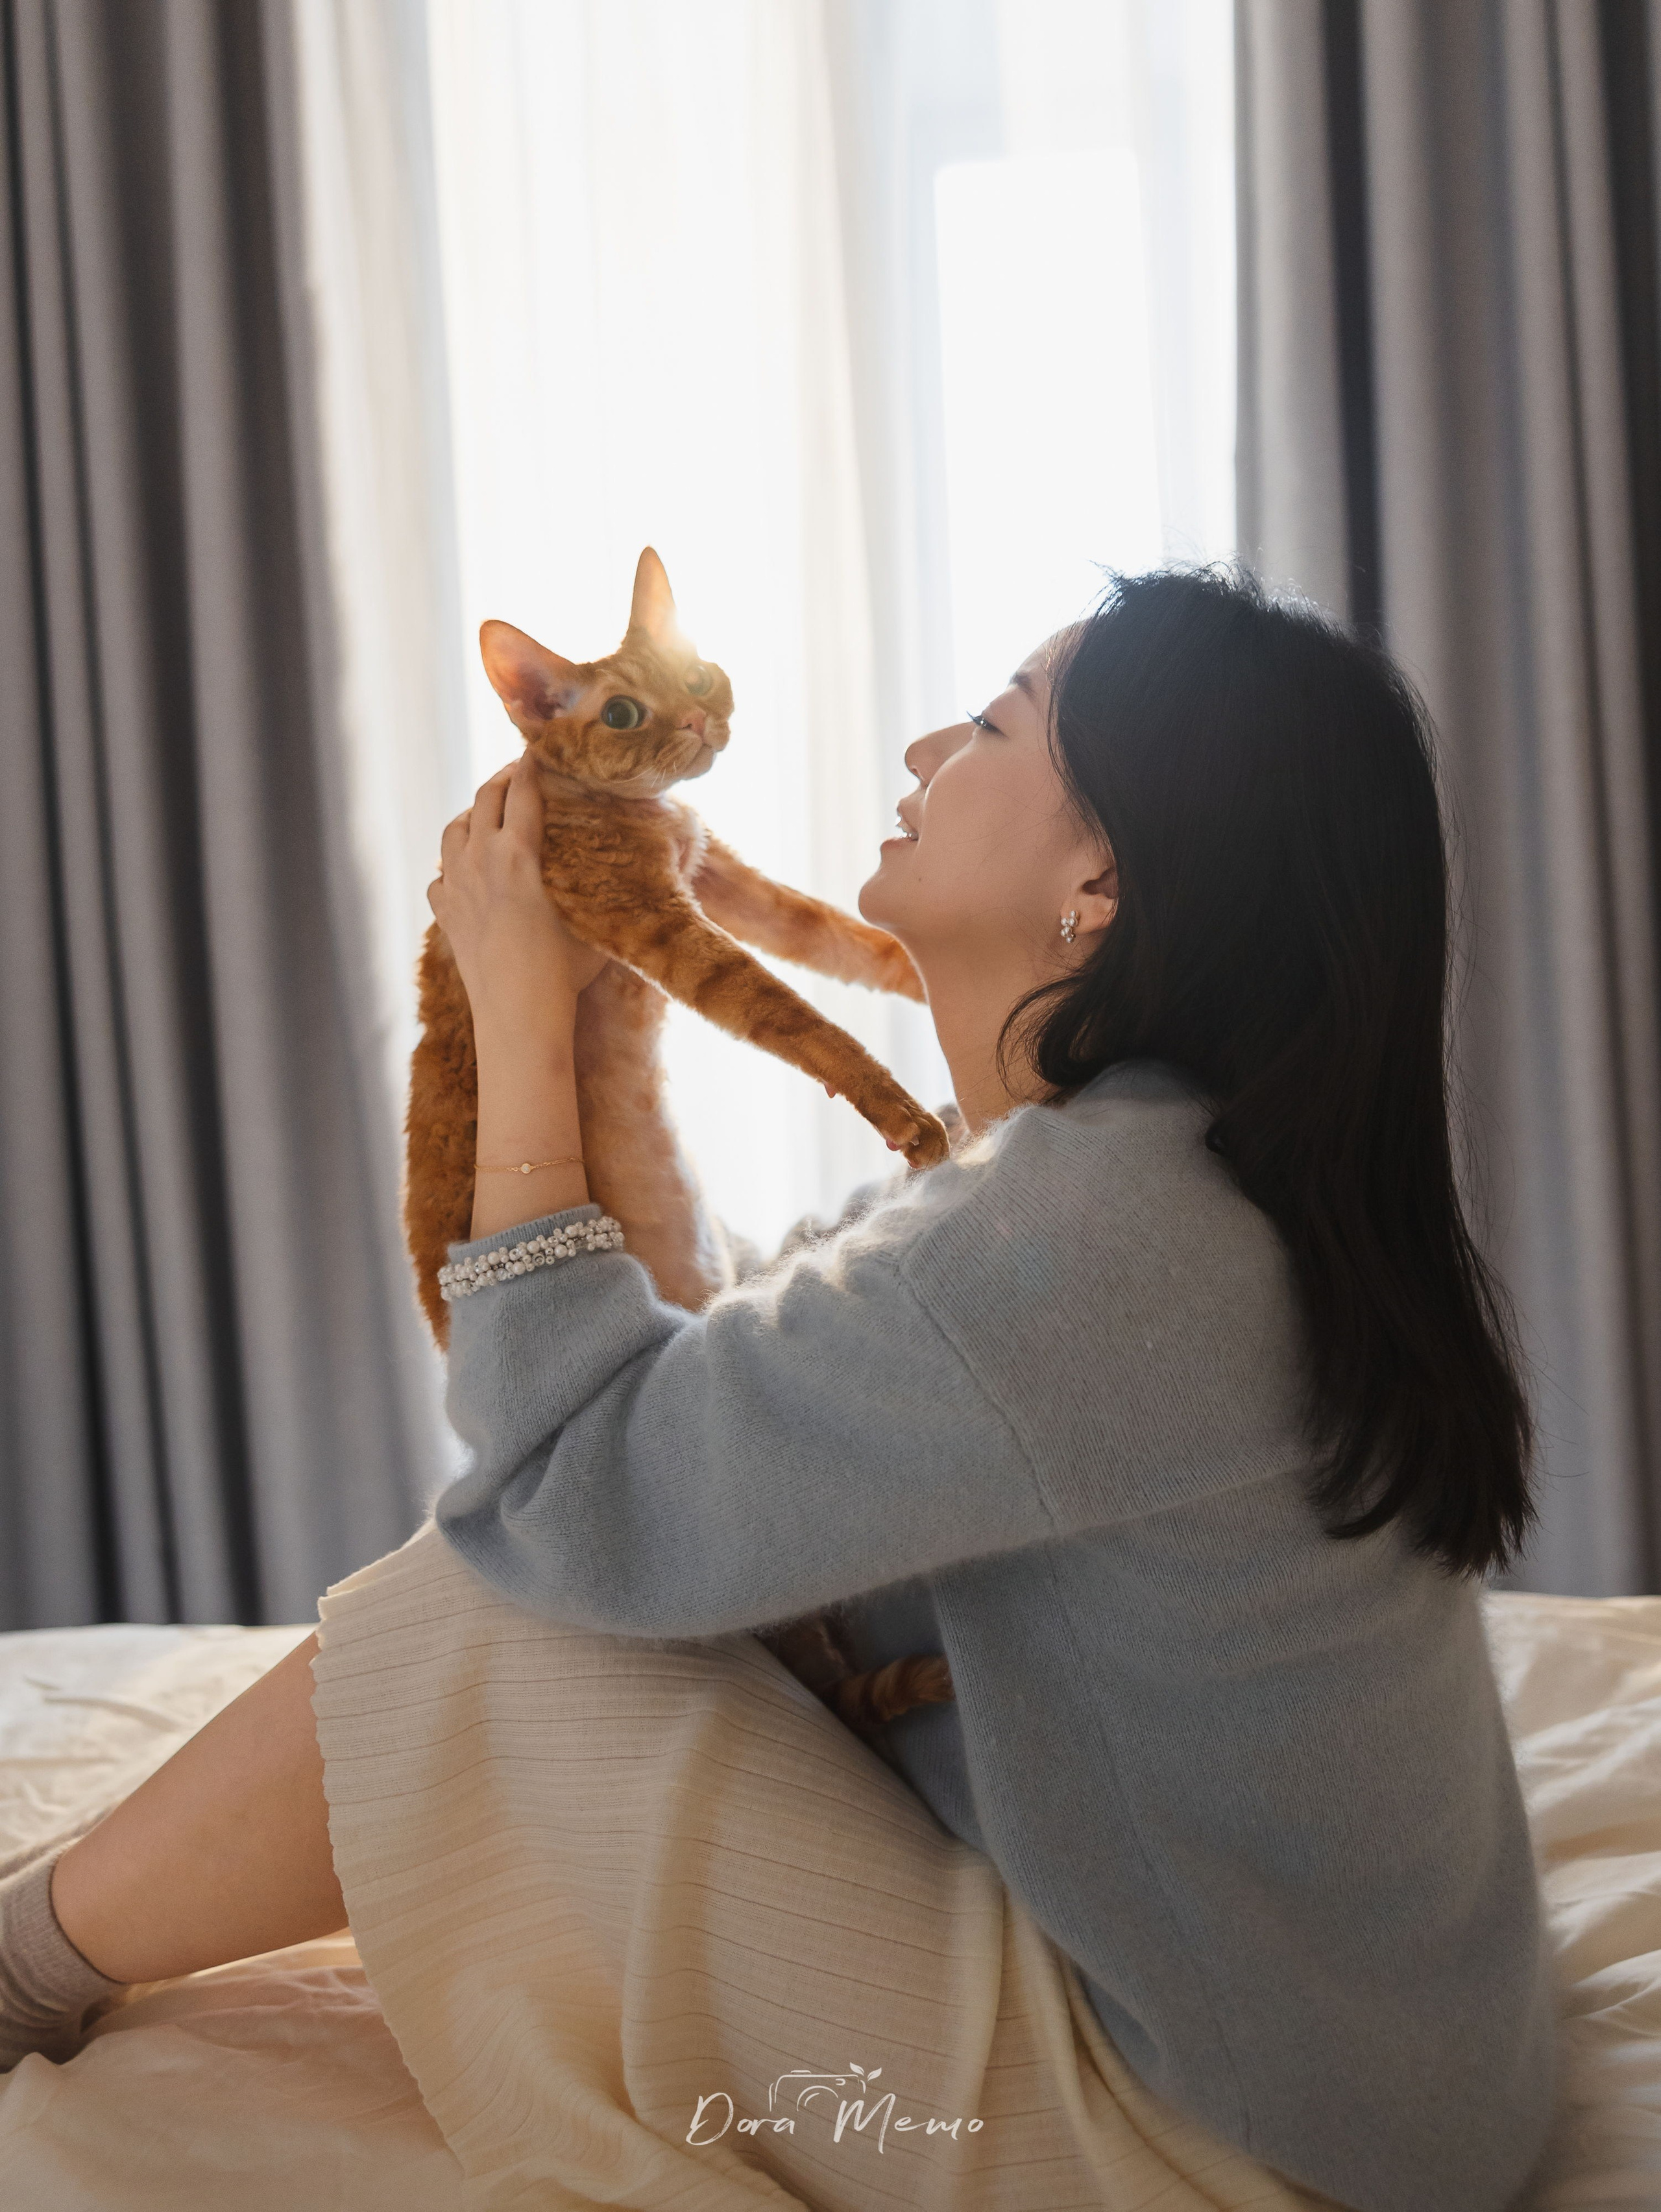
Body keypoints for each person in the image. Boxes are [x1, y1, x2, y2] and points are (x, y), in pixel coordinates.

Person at [0, 568, 1558, 2211]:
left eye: (990, 724)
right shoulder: (1159, 1183)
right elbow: (762, 1406)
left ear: (1097, 872)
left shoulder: (1086, 1235)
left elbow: (560, 1507)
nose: (917, 749)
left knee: (481, 1615)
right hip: (1396, 2083)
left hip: (1228, 2147)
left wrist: (522, 1026)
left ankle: (20, 1956)